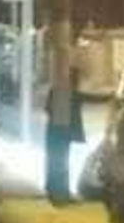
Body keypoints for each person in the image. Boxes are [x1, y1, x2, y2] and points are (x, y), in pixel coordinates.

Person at [44, 63, 85, 206]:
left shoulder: (63, 91)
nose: (77, 82)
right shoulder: (65, 92)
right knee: (58, 164)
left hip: (57, 134)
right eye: (75, 79)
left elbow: (47, 109)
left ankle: (60, 193)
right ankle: (57, 195)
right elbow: (49, 110)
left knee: (59, 164)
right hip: (58, 135)